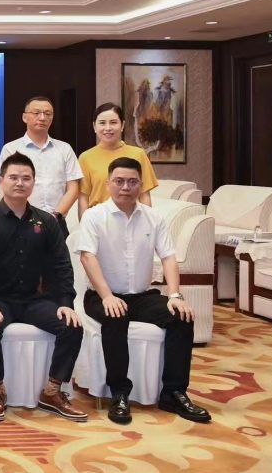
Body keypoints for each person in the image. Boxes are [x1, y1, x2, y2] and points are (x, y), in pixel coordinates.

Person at [76, 156, 210, 425]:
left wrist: (175, 295)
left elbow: (169, 257)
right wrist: (107, 296)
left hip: (141, 296)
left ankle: (174, 393)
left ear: (140, 185)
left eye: (132, 182)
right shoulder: (94, 216)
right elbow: (87, 257)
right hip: (102, 295)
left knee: (181, 317)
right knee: (116, 315)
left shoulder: (154, 218)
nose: (125, 187)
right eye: (119, 181)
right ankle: (119, 393)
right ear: (108, 183)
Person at [0, 152, 87, 424]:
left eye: (26, 178)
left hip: (35, 300)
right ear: (0, 181)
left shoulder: (47, 222)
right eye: (13, 177)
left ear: (34, 182)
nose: (20, 183)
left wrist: (66, 303)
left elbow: (62, 265)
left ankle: (52, 392)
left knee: (72, 326)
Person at [0, 96, 82, 234]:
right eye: (36, 113)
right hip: (20, 221)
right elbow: (5, 186)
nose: (42, 118)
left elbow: (73, 188)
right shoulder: (11, 149)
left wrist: (55, 216)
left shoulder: (64, 149)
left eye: (47, 114)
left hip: (57, 222)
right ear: (25, 117)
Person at [77, 102, 157, 217]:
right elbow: (83, 198)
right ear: (94, 126)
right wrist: (84, 224)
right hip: (99, 219)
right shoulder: (85, 157)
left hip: (131, 218)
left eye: (113, 122)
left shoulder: (138, 154)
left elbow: (144, 195)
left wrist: (147, 222)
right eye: (102, 123)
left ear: (122, 125)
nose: (108, 128)